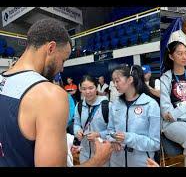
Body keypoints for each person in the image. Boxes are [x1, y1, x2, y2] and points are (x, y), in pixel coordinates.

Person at [0, 18, 112, 167]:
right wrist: (98, 160)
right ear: (51, 48)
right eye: (63, 60)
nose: (62, 68)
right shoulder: (50, 95)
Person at [106, 65, 160, 167]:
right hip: (116, 161)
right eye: (113, 82)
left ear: (130, 79)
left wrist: (128, 138)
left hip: (142, 163)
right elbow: (110, 131)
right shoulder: (115, 104)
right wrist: (113, 141)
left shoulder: (150, 104)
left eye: (117, 81)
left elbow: (155, 143)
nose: (115, 85)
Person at [74, 75, 109, 166]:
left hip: (103, 155)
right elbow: (76, 124)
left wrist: (99, 134)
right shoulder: (79, 106)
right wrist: (77, 131)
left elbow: (114, 130)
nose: (87, 92)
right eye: (84, 89)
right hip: (84, 154)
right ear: (80, 89)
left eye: (91, 88)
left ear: (96, 87)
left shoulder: (107, 105)